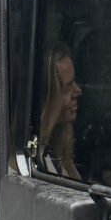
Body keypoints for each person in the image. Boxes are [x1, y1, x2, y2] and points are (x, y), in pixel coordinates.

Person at [38, 42, 82, 180]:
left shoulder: (58, 148)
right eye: (67, 87)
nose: (78, 91)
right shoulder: (32, 161)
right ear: (47, 97)